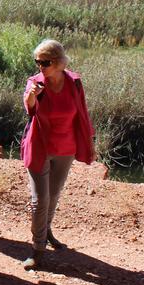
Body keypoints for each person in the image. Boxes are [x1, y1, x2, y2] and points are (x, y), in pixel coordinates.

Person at [20, 39, 95, 270]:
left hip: (66, 147)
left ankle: (47, 230)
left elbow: (81, 112)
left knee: (53, 195)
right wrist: (32, 95)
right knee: (39, 199)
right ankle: (37, 248)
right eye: (37, 62)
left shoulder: (74, 82)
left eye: (46, 62)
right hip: (40, 146)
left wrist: (89, 140)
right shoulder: (35, 82)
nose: (40, 66)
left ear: (59, 62)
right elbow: (29, 108)